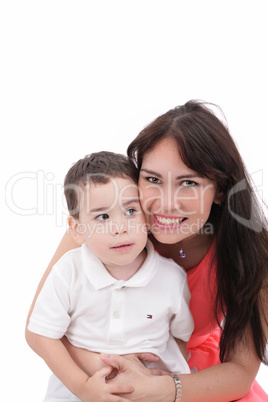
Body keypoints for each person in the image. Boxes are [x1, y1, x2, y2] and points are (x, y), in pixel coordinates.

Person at [26, 100, 268, 402]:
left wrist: (165, 388)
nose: (166, 203)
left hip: (197, 378)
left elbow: (241, 372)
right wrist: (113, 374)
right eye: (153, 179)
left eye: (189, 183)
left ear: (219, 190)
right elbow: (42, 328)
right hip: (96, 372)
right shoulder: (101, 231)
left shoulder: (249, 250)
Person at [26, 151, 194, 401]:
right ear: (77, 229)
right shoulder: (69, 271)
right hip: (80, 391)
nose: (120, 227)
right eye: (103, 217)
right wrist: (83, 386)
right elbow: (42, 336)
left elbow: (181, 337)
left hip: (149, 392)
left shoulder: (171, 277)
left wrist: (165, 377)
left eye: (130, 211)